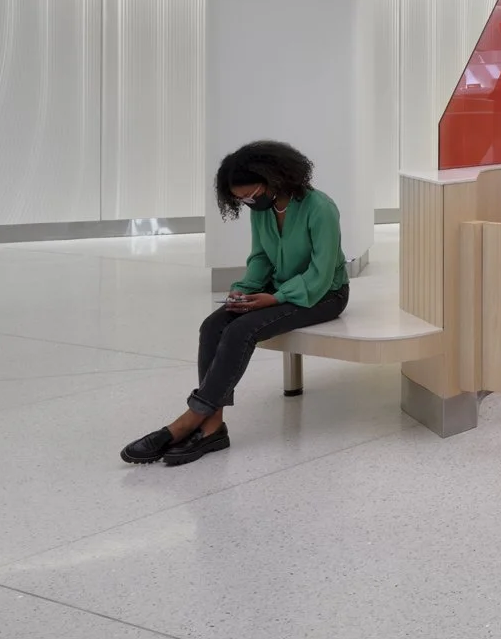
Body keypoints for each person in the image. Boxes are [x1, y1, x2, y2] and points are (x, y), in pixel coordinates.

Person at [121, 141, 350, 466]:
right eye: (240, 198)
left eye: (251, 194)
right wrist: (244, 289)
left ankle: (190, 420)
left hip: (325, 294)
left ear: (275, 178)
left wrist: (276, 297)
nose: (247, 202)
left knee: (242, 329)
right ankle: (213, 426)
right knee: (213, 325)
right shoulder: (264, 211)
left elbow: (321, 272)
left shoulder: (320, 208)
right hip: (280, 288)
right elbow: (260, 258)